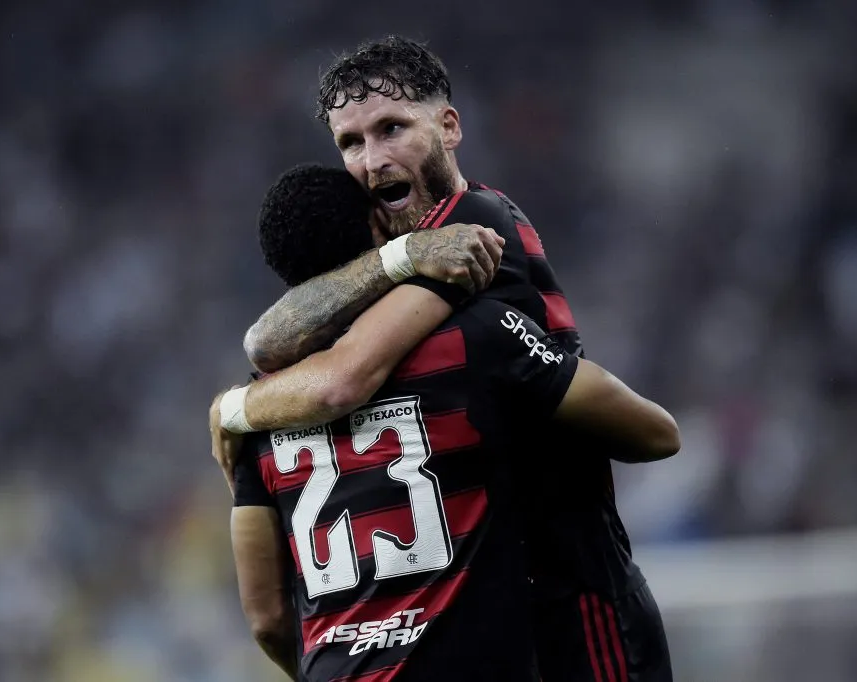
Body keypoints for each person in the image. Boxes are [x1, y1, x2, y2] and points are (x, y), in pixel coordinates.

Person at [227, 35, 676, 682]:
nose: (372, 160)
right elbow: (271, 340)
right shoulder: (407, 257)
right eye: (350, 143)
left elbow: (341, 372)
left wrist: (241, 407)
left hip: (579, 588)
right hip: (504, 604)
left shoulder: (474, 226)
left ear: (449, 126)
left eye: (391, 129)